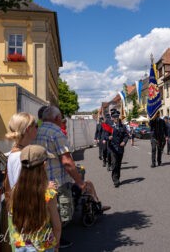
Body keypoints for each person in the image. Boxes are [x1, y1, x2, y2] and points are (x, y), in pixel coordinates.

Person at [34, 106, 110, 248]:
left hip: (42, 180)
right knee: (64, 213)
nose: (62, 121)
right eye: (61, 118)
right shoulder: (56, 132)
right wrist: (79, 182)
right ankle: (54, 241)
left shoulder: (37, 131)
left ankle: (49, 240)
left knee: (49, 211)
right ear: (57, 118)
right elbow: (67, 161)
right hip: (57, 182)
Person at [9, 145, 61, 252]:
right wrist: (56, 245)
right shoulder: (49, 194)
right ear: (44, 164)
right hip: (43, 246)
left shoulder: (15, 191)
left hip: (21, 245)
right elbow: (57, 226)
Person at [5, 112, 39, 188]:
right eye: (36, 126)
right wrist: (47, 189)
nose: (37, 129)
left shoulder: (19, 153)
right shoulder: (19, 156)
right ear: (28, 129)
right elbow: (20, 189)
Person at [106, 109, 129, 187]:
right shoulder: (109, 126)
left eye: (116, 116)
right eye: (114, 117)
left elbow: (126, 136)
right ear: (112, 118)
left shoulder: (123, 126)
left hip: (120, 148)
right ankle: (115, 179)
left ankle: (118, 178)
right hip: (112, 148)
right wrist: (108, 137)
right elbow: (105, 135)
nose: (115, 118)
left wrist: (124, 142)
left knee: (118, 164)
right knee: (114, 163)